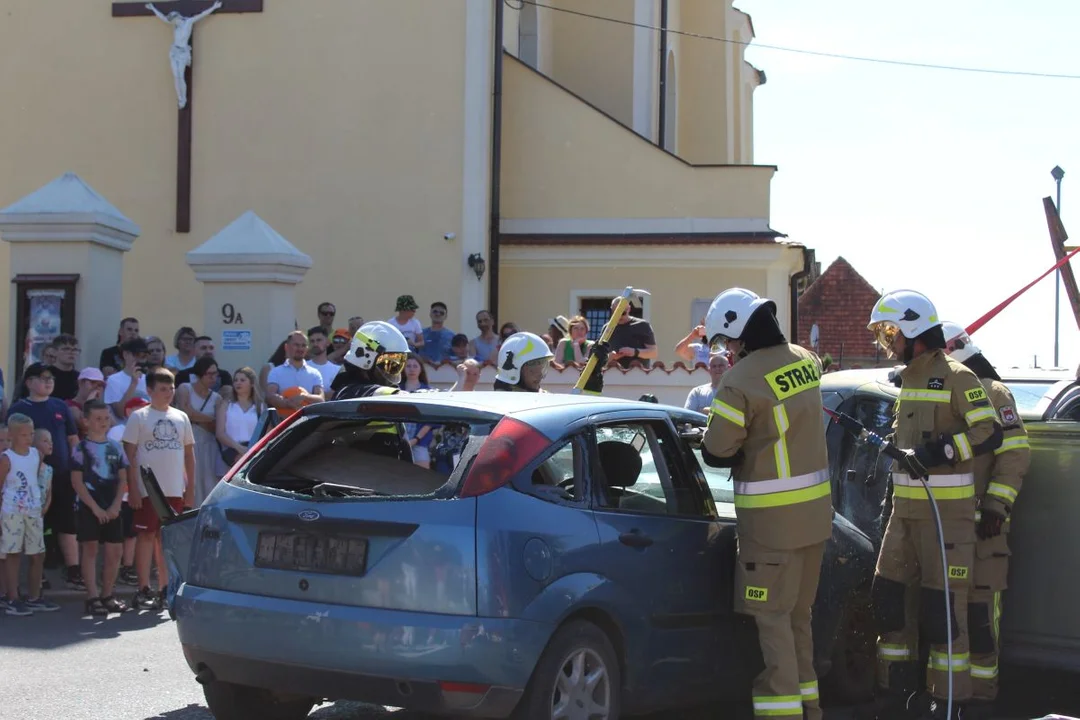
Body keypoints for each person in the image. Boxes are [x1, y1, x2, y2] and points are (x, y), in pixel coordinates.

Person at [866, 290, 1003, 720]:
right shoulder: (908, 378)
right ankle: (897, 695)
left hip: (947, 519)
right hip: (904, 516)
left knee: (942, 614)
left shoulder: (959, 377)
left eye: (890, 333)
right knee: (888, 603)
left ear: (910, 331)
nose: (887, 344)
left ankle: (949, 703)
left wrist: (942, 451)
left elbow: (990, 432)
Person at [697, 288, 833, 720]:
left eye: (727, 341)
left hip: (770, 529)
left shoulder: (741, 379)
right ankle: (810, 708)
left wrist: (728, 447)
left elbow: (717, 450)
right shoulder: (805, 360)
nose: (729, 350)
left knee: (771, 625)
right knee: (798, 620)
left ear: (739, 329)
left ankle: (782, 713)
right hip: (815, 521)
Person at [941, 321, 1030, 719]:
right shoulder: (942, 392)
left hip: (982, 529)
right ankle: (952, 698)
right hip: (946, 528)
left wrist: (996, 506)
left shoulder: (994, 393)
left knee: (978, 617)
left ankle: (982, 700)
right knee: (947, 617)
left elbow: (1014, 454)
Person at [123, 368, 196, 612]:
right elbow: (130, 456)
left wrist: (190, 490)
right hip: (148, 490)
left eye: (171, 388)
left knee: (165, 541)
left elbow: (189, 456)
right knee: (146, 536)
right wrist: (133, 488)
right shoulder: (139, 417)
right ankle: (143, 588)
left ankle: (165, 588)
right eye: (163, 389)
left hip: (174, 488)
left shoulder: (181, 417)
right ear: (150, 390)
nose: (168, 393)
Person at [9, 363, 82, 591]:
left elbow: (73, 439)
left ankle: (73, 571)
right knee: (36, 524)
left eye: (51, 377)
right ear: (29, 382)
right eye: (42, 378)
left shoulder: (60, 405)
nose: (48, 381)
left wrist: (77, 467)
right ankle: (36, 576)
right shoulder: (19, 409)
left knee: (67, 523)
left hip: (61, 474)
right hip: (30, 478)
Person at [71, 400, 130, 616]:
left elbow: (123, 478)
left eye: (106, 418)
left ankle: (107, 594)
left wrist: (115, 505)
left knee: (115, 551)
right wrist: (95, 508)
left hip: (112, 506)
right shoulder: (80, 448)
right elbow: (77, 482)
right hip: (89, 506)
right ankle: (92, 596)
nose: (103, 423)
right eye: (97, 419)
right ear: (86, 421)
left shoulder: (116, 447)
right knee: (90, 549)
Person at [0, 414, 59, 615]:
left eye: (31, 433)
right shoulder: (6, 458)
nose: (28, 438)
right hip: (12, 513)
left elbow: (35, 481)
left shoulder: (36, 455)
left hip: (33, 512)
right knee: (12, 554)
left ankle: (34, 596)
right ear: (12, 435)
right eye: (24, 434)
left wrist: (40, 503)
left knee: (37, 553)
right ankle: (12, 597)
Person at [331, 321, 411, 400]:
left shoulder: (387, 385)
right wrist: (385, 392)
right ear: (367, 357)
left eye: (398, 363)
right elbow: (348, 392)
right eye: (388, 362)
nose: (393, 367)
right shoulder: (345, 384)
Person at [265, 331, 325, 415]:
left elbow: (321, 399)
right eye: (296, 345)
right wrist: (287, 403)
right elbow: (270, 396)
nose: (300, 349)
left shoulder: (315, 373)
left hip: (308, 423)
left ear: (307, 348)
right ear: (287, 347)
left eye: (303, 345)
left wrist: (305, 396)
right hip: (283, 423)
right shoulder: (275, 372)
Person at [215, 368, 264, 468]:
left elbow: (266, 432)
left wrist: (250, 451)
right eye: (235, 380)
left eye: (242, 380)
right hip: (230, 455)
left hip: (253, 455)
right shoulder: (226, 404)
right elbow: (220, 433)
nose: (238, 383)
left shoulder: (260, 406)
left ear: (252, 383)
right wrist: (239, 448)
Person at [606, 297, 658, 369]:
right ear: (612, 310)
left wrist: (634, 352)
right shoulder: (607, 328)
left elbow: (653, 353)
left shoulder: (642, 325)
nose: (620, 316)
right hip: (613, 375)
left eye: (623, 313)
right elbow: (600, 357)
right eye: (616, 313)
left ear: (629, 309)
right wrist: (611, 356)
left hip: (638, 375)